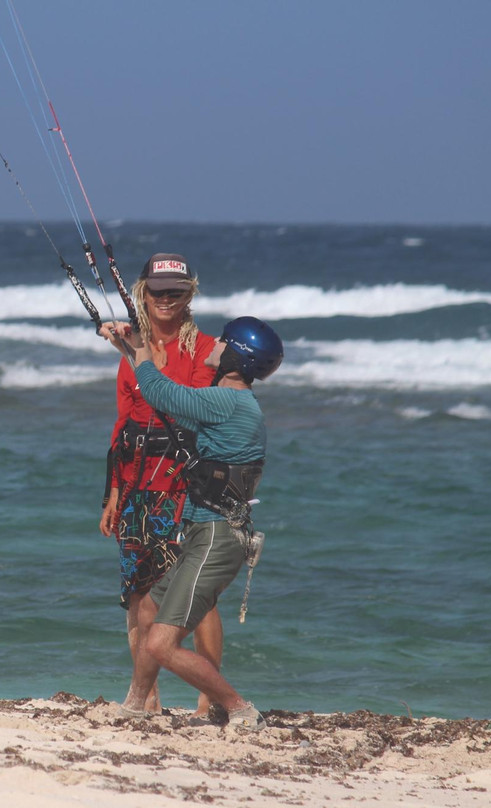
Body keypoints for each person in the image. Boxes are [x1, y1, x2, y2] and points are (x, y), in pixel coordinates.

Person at [99, 314, 284, 732]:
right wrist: (130, 350)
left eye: (223, 341)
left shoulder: (227, 402)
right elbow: (164, 402)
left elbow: (161, 392)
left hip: (216, 538)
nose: (214, 344)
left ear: (236, 357)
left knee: (162, 644)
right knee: (149, 607)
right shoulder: (230, 403)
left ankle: (239, 709)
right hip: (206, 533)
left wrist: (140, 347)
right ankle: (135, 704)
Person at [99, 253, 223, 718]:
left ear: (190, 295)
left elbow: (189, 405)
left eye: (176, 292)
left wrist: (137, 354)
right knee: (138, 591)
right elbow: (123, 423)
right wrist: (113, 494)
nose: (166, 299)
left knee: (199, 597)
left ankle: (210, 697)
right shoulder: (132, 352)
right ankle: (146, 697)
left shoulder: (207, 349)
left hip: (185, 488)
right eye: (157, 292)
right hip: (136, 485)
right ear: (143, 294)